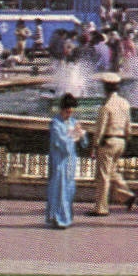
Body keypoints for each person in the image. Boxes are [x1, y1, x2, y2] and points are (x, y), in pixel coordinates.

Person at [88, 71, 136, 216]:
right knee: (112, 171)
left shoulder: (106, 106)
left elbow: (100, 129)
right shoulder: (125, 103)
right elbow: (128, 126)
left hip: (108, 141)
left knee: (103, 176)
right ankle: (128, 196)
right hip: (120, 141)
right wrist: (127, 139)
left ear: (106, 88)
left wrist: (94, 146)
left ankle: (101, 208)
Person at [46, 92, 85, 229]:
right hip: (59, 162)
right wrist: (74, 135)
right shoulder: (55, 123)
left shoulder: (73, 122)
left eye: (71, 112)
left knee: (69, 189)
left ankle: (66, 216)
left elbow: (82, 142)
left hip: (70, 162)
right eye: (67, 112)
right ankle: (58, 218)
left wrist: (81, 134)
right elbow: (61, 142)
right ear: (62, 109)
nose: (69, 115)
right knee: (58, 189)